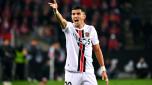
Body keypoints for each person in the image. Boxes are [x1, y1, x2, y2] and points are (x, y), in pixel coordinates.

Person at [48, 0, 109, 85]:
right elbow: (61, 20)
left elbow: (97, 49)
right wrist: (56, 11)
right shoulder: (69, 28)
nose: (75, 16)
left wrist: (103, 69)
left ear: (84, 16)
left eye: (78, 14)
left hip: (88, 72)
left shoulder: (91, 30)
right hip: (72, 73)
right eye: (73, 14)